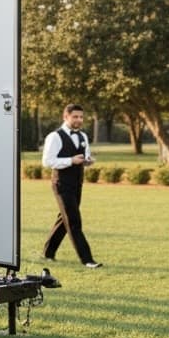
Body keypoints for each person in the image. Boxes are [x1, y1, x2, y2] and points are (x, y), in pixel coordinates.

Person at [42, 103, 102, 268]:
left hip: (77, 183)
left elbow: (84, 157)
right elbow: (47, 162)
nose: (79, 120)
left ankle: (48, 252)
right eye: (75, 116)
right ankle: (87, 260)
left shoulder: (83, 136)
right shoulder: (54, 137)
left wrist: (88, 162)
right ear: (65, 117)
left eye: (81, 117)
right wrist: (70, 161)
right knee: (74, 221)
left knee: (64, 219)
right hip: (61, 184)